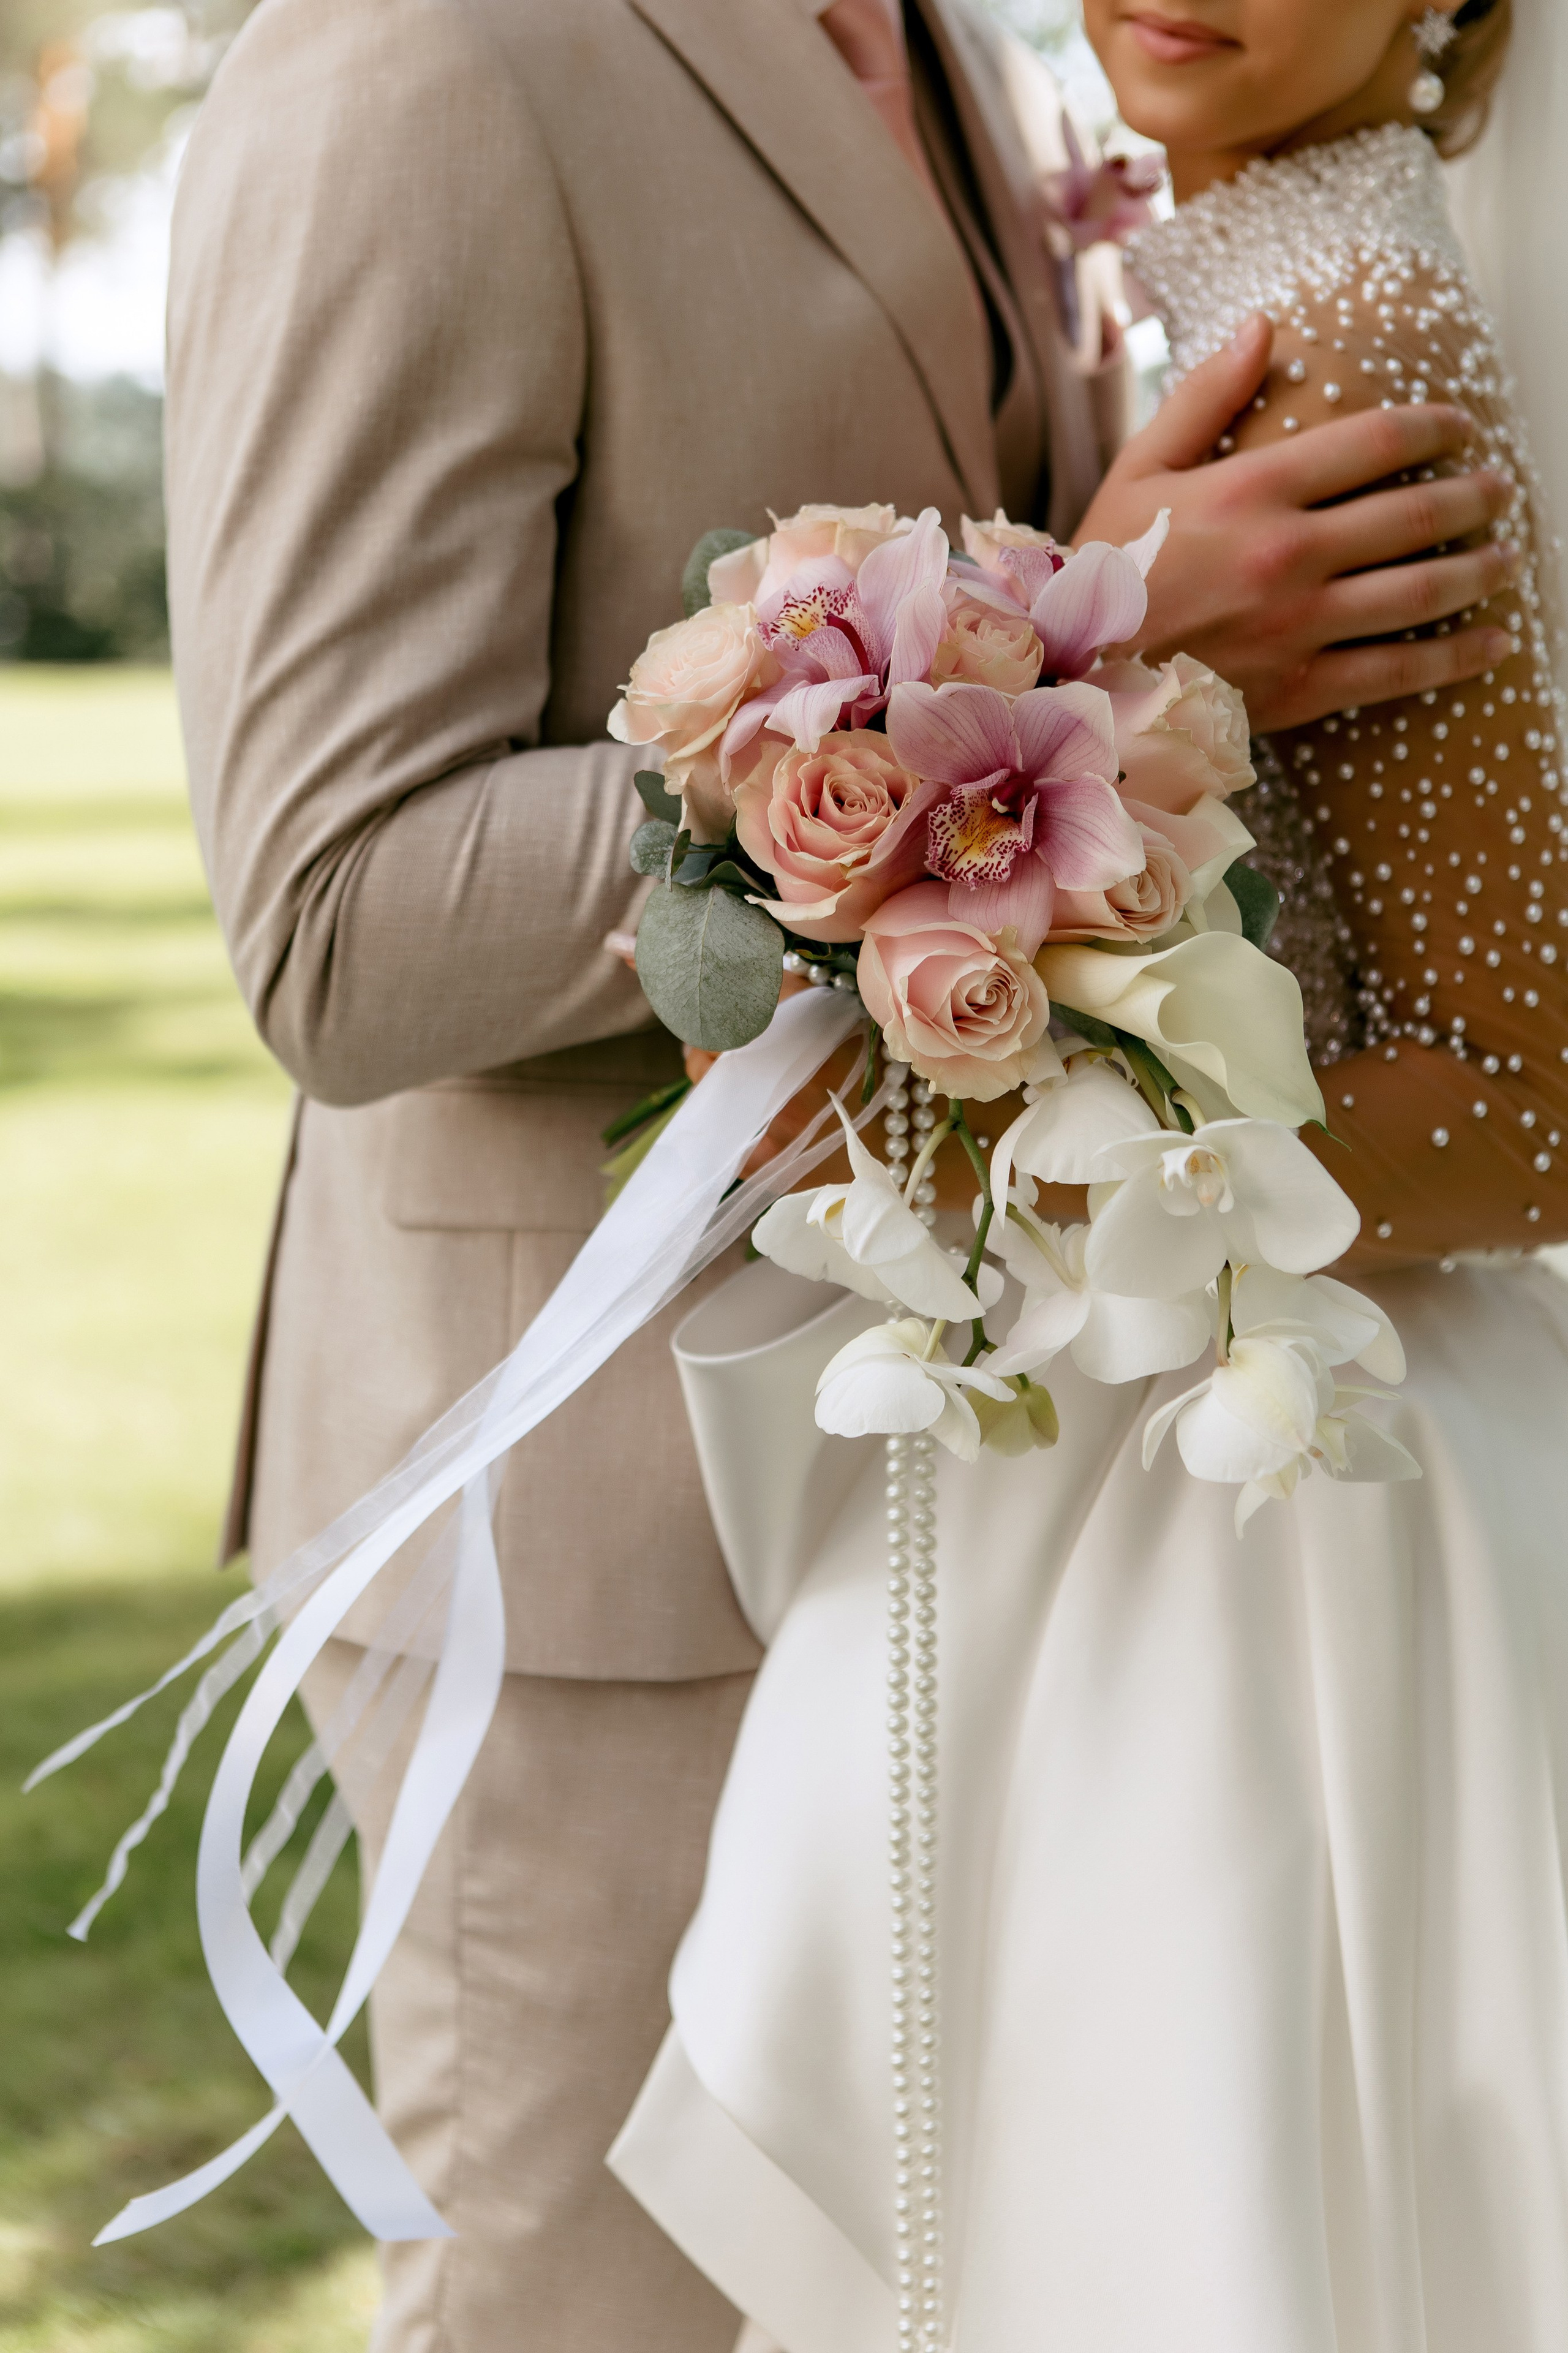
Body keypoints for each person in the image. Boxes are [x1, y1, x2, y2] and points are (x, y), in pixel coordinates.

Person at [161, 0, 1527, 2344]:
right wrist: (1065, 640)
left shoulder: (985, 57)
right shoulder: (416, 58)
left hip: (978, 1501)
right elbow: (338, 919)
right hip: (586, 1534)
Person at [606, 2, 1568, 2346]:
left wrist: (1007, 1132)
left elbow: (1532, 1099)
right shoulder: (1227, 260)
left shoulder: (1351, 328)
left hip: (1282, 1515)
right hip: (1153, 1442)